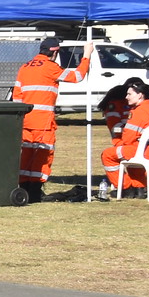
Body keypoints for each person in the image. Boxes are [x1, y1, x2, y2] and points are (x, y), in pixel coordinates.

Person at [12, 36, 91, 201]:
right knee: (42, 157)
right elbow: (77, 76)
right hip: (43, 122)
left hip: (25, 122)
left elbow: (17, 97)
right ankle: (34, 191)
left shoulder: (24, 67)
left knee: (25, 156)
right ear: (54, 53)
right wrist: (87, 56)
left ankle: (24, 190)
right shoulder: (50, 67)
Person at [98, 77, 149, 198]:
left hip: (145, 151)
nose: (126, 97)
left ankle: (125, 188)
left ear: (140, 95)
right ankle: (139, 187)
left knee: (108, 155)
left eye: (129, 94)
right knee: (130, 151)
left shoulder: (138, 112)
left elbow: (127, 138)